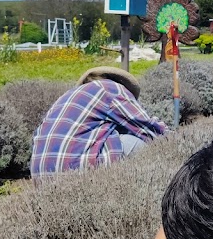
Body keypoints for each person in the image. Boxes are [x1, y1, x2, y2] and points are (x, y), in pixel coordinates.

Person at [30, 66, 166, 178]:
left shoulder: (66, 97)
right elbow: (147, 128)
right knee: (138, 144)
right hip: (76, 172)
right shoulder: (110, 88)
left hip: (40, 177)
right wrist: (175, 143)